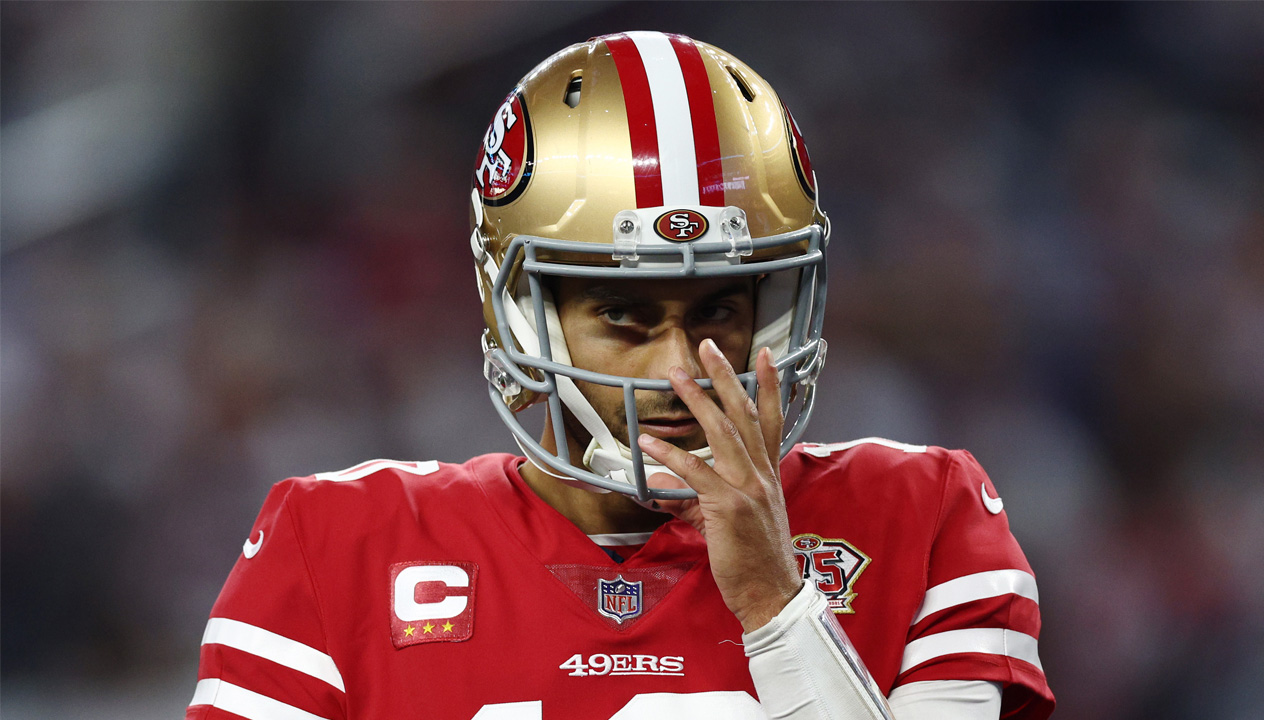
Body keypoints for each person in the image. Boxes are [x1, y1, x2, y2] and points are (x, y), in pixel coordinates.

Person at [186, 32, 1054, 720]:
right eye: (624, 317)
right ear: (524, 313)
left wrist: (776, 603)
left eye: (717, 311)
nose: (678, 371)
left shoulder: (922, 516)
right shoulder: (338, 546)